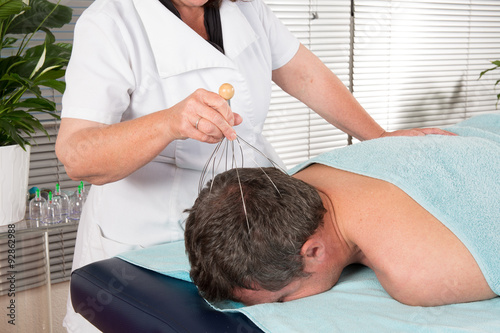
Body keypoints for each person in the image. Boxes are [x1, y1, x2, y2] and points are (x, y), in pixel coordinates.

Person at [56, 0, 452, 330]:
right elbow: (76, 155)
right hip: (149, 232)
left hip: (254, 221)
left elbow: (303, 73)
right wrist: (168, 122)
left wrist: (377, 138)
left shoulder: (246, 9)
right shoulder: (110, 22)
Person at [185, 115, 500, 307]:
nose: (283, 305)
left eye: (282, 298)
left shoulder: (416, 272)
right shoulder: (297, 180)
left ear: (313, 251)